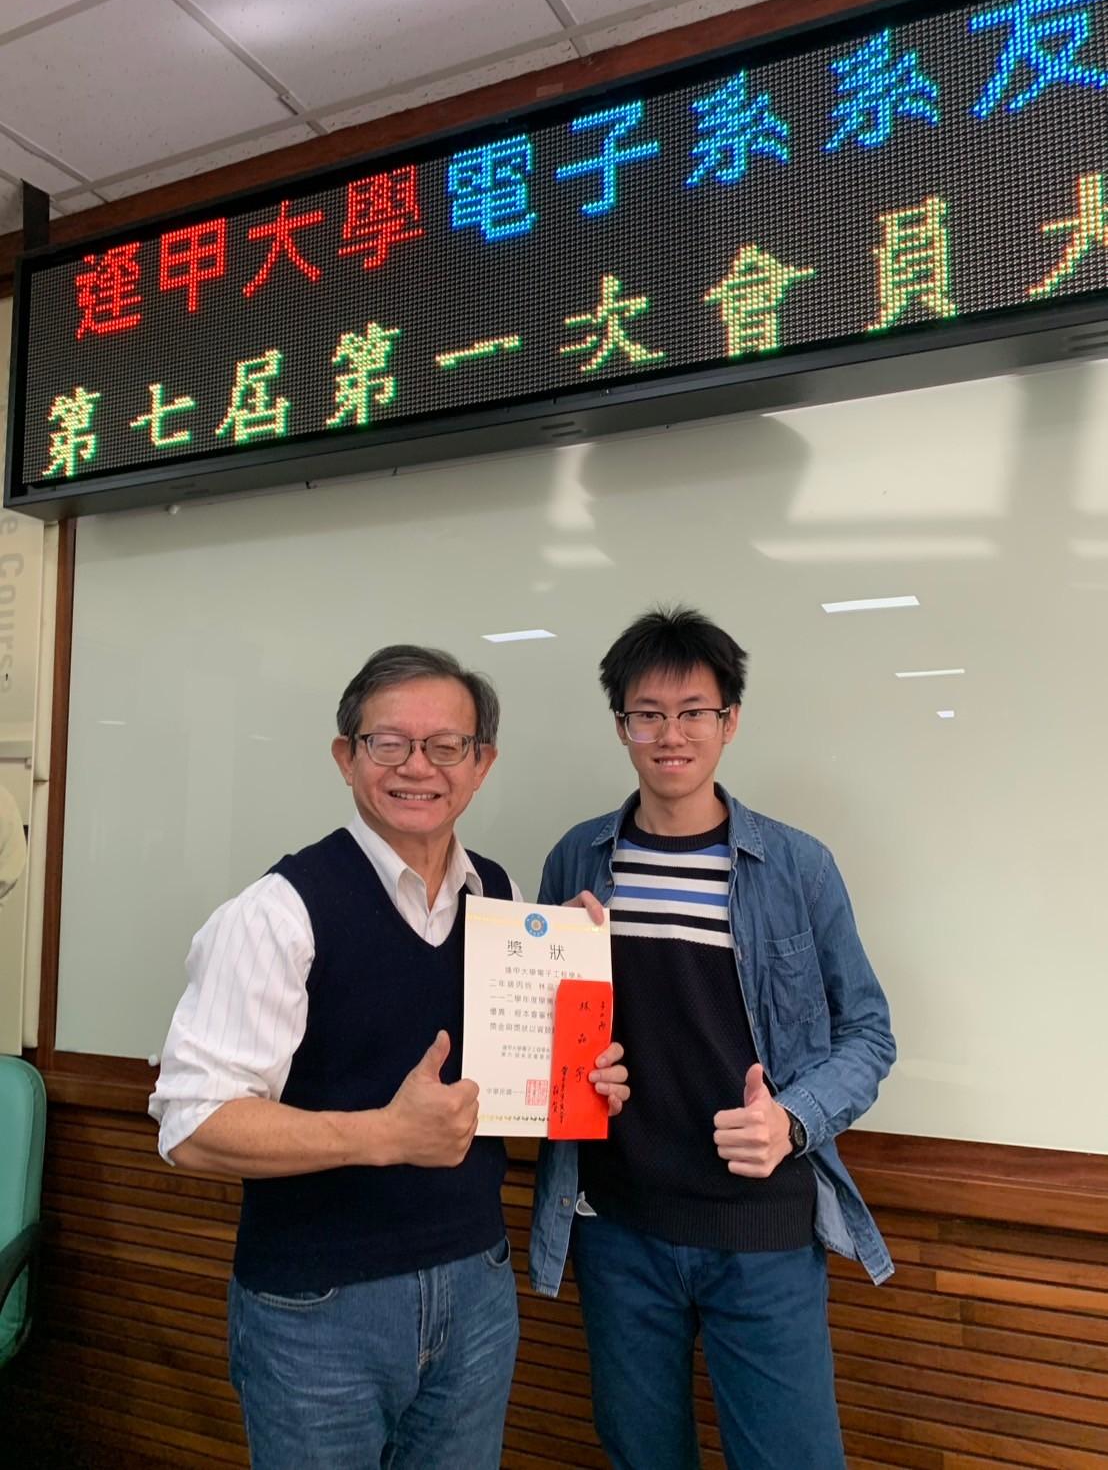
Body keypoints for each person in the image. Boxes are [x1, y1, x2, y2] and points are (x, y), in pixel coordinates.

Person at [149, 645, 628, 1470]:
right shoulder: (279, 911)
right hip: (317, 1307)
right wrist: (385, 1134)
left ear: (481, 765)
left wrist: (582, 1071)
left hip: (478, 1286)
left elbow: (505, 1091)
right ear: (347, 756)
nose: (418, 766)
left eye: (446, 745)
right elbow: (192, 1125)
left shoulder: (501, 899)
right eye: (389, 742)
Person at [532, 607, 895, 1470]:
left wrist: (792, 1119)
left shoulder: (797, 865)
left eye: (694, 711)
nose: (671, 734)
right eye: (648, 714)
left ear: (730, 720)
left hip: (763, 1231)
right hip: (617, 1225)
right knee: (642, 1454)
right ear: (621, 724)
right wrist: (576, 1062)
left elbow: (869, 1033)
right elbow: (540, 1039)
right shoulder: (578, 858)